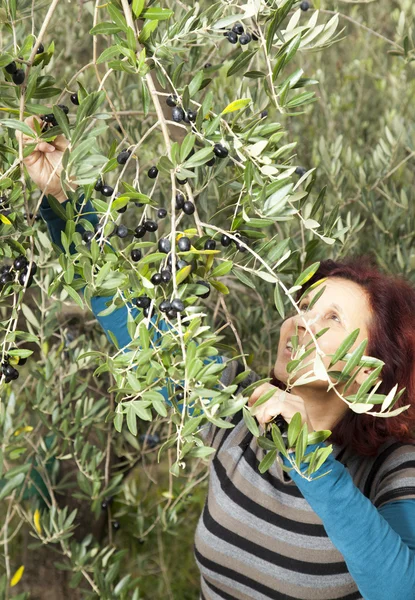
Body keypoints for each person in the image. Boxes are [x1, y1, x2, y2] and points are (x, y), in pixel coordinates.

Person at [19, 115, 415, 600]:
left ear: (375, 361)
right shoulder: (239, 410)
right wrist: (66, 196)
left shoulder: (391, 469)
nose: (302, 322)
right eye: (303, 306)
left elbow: (400, 590)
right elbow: (139, 329)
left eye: (331, 319)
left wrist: (310, 460)